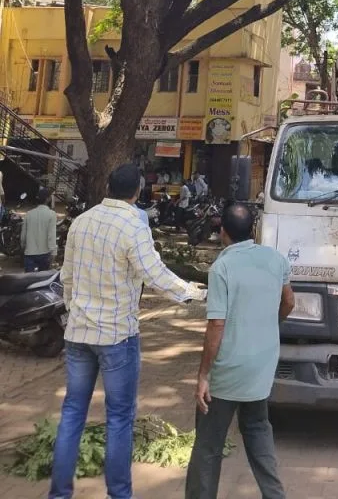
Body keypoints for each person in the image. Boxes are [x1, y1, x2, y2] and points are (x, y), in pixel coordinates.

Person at [49, 163, 205, 499]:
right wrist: (192, 293)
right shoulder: (134, 225)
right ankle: (118, 494)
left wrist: (73, 313)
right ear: (138, 192)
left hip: (78, 335)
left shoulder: (81, 222)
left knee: (72, 412)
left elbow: (68, 277)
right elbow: (154, 273)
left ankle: (58, 494)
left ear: (108, 186)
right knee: (119, 418)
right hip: (117, 337)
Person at [185, 203, 294, 499]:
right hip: (261, 367)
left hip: (228, 372)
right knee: (258, 429)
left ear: (223, 233)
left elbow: (217, 325)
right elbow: (289, 301)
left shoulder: (222, 267)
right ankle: (275, 495)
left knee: (208, 445)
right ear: (253, 231)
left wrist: (204, 375)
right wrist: (269, 323)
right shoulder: (276, 259)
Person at [21, 186, 57, 272]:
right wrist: (53, 253)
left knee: (28, 281)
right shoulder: (51, 214)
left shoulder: (29, 214)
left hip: (29, 253)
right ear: (48, 199)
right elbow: (51, 236)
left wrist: (23, 247)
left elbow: (23, 235)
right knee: (42, 281)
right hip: (44, 254)